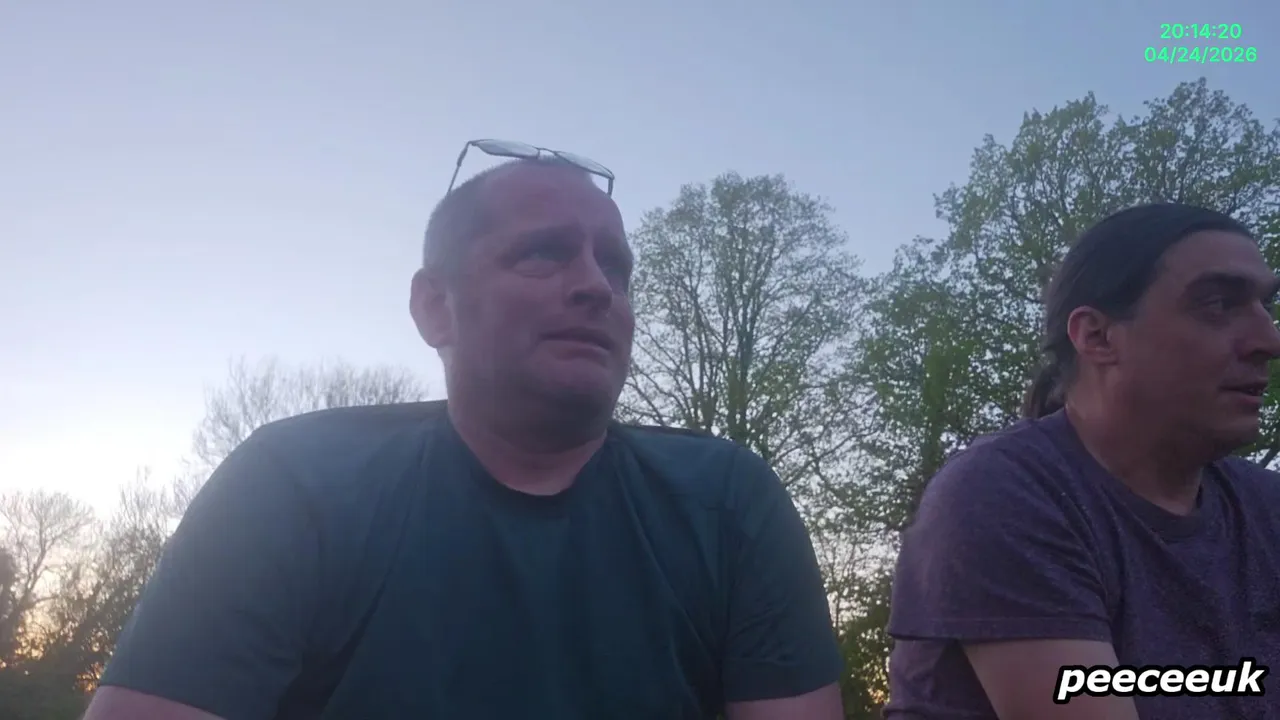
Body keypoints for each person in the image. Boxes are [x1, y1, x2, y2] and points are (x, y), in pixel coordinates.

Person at [84, 143, 846, 720]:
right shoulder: (295, 484)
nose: (596, 286)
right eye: (543, 253)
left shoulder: (728, 503)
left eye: (615, 267)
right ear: (434, 307)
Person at [882, 202, 1280, 719]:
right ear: (1097, 336)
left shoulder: (1265, 506)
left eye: (1265, 306)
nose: (1268, 341)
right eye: (1218, 304)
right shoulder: (1004, 497)